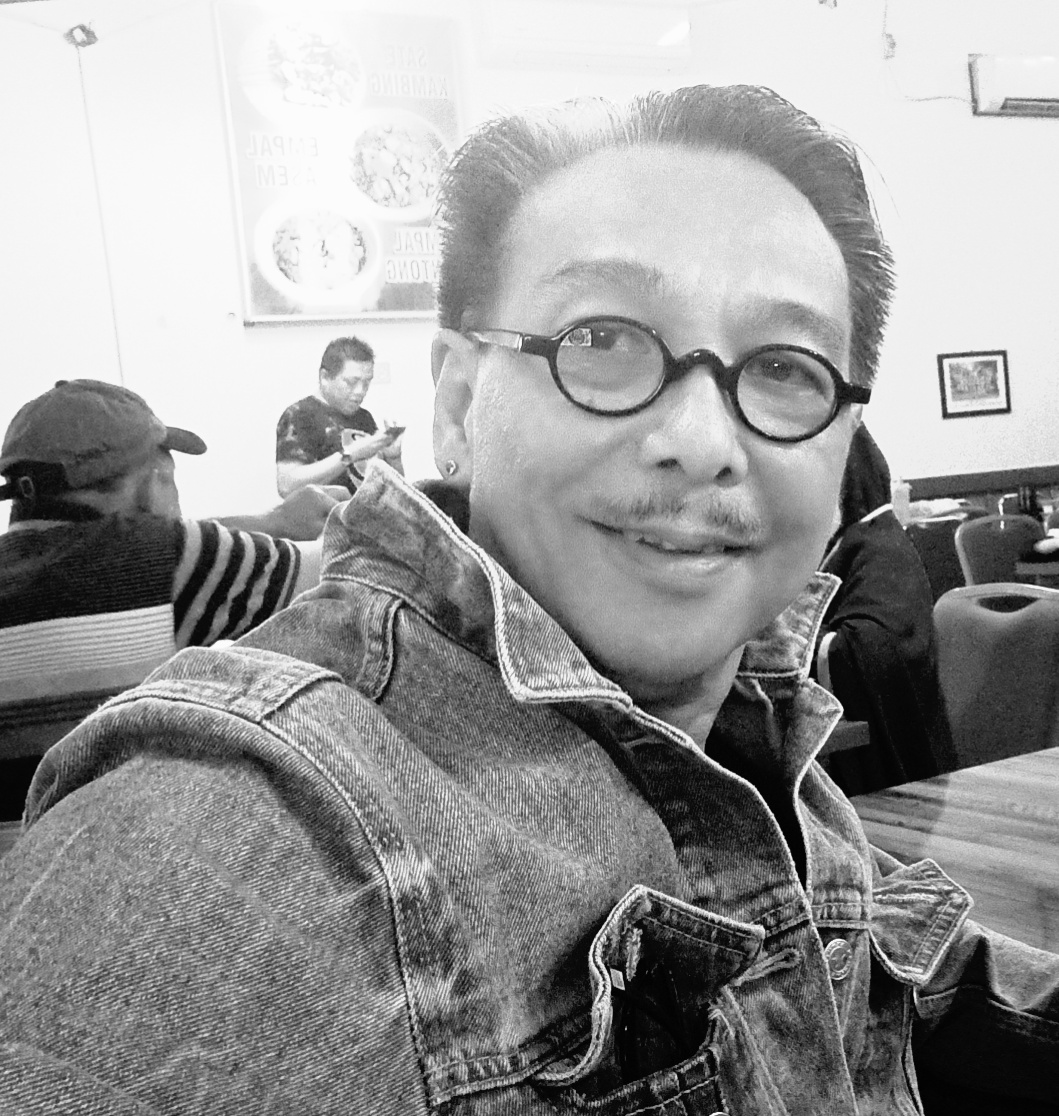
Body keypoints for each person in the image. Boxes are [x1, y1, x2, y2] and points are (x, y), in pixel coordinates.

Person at [0, 86, 1056, 1116]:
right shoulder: (260, 838)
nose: (700, 440)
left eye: (784, 366)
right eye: (602, 340)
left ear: (844, 444)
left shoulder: (754, 738)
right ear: (459, 399)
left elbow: (885, 966)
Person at [0, 378, 341, 818]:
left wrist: (272, 522)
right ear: (154, 479)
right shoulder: (168, 560)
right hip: (131, 839)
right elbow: (341, 564)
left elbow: (87, 541)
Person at [813, 424, 958, 794]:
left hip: (901, 764)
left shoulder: (881, 548)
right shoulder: (845, 542)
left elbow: (879, 645)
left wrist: (800, 642)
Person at [275, 334, 404, 496]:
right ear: (324, 377)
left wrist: (393, 458)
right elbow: (287, 485)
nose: (360, 391)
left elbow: (397, 496)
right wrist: (350, 455)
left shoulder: (364, 418)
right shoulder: (300, 415)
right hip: (327, 511)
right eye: (351, 382)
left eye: (366, 383)